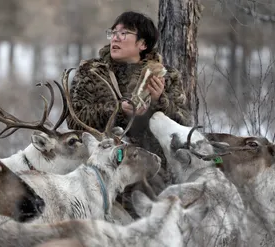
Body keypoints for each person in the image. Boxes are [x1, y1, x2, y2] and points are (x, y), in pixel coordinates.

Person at [66, 11, 192, 216]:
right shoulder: (92, 72)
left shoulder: (165, 76)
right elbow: (74, 120)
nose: (115, 38)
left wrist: (159, 102)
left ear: (142, 44)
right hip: (98, 174)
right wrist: (116, 111)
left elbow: (183, 123)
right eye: (113, 33)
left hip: (148, 174)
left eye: (124, 33)